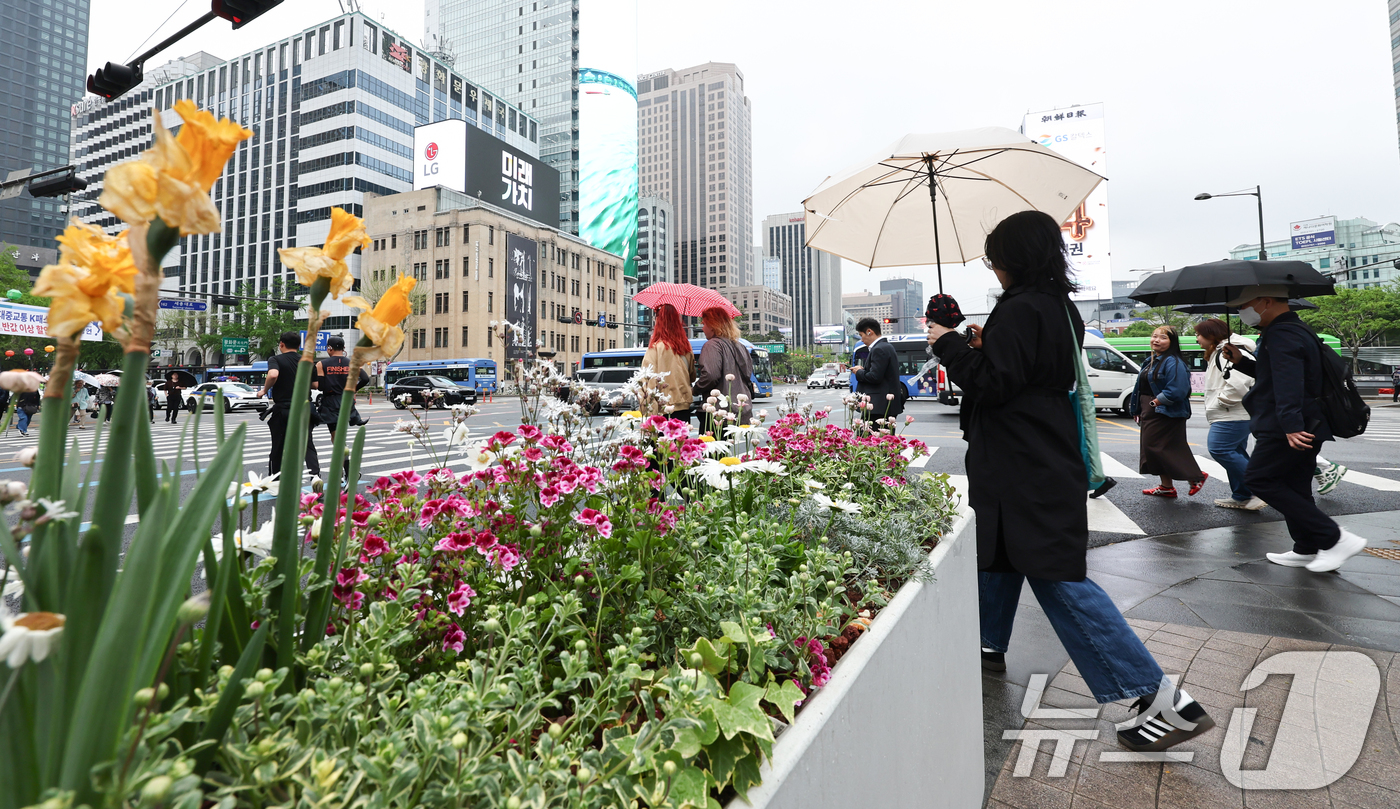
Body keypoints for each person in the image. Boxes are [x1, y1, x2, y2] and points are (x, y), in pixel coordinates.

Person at [928, 210, 1213, 753]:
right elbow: (1027, 371)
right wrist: (990, 342)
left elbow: (991, 385)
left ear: (1015, 257)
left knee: (1054, 572)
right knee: (1001, 550)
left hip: (1021, 462)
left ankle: (1158, 698)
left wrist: (949, 345)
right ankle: (985, 642)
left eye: (995, 256)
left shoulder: (1020, 308)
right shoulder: (1057, 306)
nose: (992, 266)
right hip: (1036, 455)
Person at [1222, 286, 1368, 572]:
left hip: (1287, 425)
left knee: (1260, 480)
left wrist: (1290, 425)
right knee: (1296, 486)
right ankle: (1305, 547)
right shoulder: (1294, 329)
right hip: (1307, 421)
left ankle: (1335, 539)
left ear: (1265, 302)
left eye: (1244, 306)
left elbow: (1289, 384)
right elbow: (1276, 374)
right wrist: (1242, 362)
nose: (1242, 312)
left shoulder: (1281, 334)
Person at [1194, 319, 1265, 510]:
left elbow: (1240, 383)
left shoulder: (1227, 353)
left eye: (1199, 334)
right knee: (1236, 451)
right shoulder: (1221, 352)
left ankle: (1260, 489)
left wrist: (1221, 401)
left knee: (1220, 449)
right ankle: (1242, 495)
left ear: (1211, 335)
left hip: (1232, 412)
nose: (1196, 339)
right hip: (1232, 412)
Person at [1129, 326, 1208, 498]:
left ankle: (1196, 477)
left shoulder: (1173, 361)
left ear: (1172, 343)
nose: (1156, 340)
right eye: (1154, 336)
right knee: (1153, 448)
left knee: (1159, 448)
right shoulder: (1151, 360)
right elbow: (1140, 387)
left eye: (1163, 337)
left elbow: (1179, 389)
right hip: (1151, 409)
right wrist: (1136, 408)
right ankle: (1167, 487)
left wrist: (1156, 401)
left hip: (1165, 410)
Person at [257, 332, 321, 479]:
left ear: (281, 344)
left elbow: (273, 375)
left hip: (284, 409)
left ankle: (275, 480)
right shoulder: (308, 362)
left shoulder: (275, 359)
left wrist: (264, 391)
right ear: (299, 346)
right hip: (304, 409)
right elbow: (315, 385)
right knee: (307, 445)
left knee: (278, 446)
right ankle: (316, 478)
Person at [694, 306, 753, 435]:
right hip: (739, 411)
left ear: (713, 325)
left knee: (712, 452)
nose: (702, 328)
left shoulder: (712, 345)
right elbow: (748, 373)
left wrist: (695, 389)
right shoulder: (740, 346)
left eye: (704, 324)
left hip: (717, 412)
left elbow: (710, 375)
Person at [639, 304, 695, 422]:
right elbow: (692, 376)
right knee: (681, 440)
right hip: (683, 405)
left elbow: (647, 380)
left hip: (662, 408)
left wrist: (644, 407)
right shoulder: (686, 346)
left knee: (662, 440)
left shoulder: (655, 348)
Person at [851, 318, 905, 423]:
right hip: (883, 405)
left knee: (872, 437)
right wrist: (863, 370)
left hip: (879, 406)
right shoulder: (885, 347)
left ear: (869, 332)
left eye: (861, 335)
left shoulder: (879, 349)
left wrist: (859, 372)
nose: (861, 340)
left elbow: (875, 377)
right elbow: (880, 373)